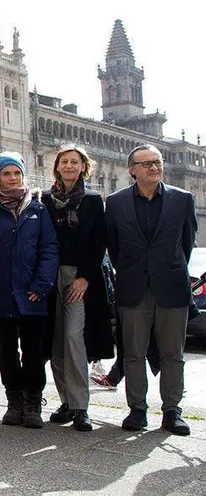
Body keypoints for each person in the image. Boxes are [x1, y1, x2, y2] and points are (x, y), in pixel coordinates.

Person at [106, 145, 196, 436]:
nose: (154, 168)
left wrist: (164, 268)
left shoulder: (183, 200)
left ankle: (172, 411)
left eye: (157, 162)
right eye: (146, 164)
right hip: (133, 289)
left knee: (173, 354)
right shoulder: (116, 203)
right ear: (132, 170)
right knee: (133, 353)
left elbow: (186, 243)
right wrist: (136, 271)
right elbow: (114, 248)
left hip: (171, 287)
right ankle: (137, 410)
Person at [0, 152, 58, 429]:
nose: (12, 178)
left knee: (33, 350)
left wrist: (41, 285)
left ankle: (33, 403)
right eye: (7, 173)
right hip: (1, 293)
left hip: (32, 293)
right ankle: (13, 401)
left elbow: (49, 249)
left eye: (16, 173)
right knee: (7, 350)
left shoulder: (37, 209)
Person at [42, 145, 112, 432]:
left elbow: (99, 243)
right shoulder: (45, 199)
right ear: (57, 167)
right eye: (64, 162)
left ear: (84, 167)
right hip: (49, 276)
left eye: (75, 162)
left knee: (73, 339)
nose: (69, 166)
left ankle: (81, 406)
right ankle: (66, 402)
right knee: (55, 342)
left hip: (78, 279)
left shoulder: (93, 201)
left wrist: (84, 278)